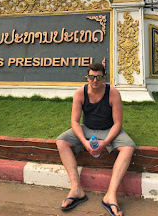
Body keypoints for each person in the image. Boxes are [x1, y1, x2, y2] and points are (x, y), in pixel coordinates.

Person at [56, 62, 136, 216]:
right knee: (61, 142)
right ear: (87, 77)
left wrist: (105, 142)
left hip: (109, 130)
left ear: (104, 77)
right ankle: (76, 188)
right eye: (92, 77)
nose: (95, 81)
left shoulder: (113, 93)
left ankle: (110, 195)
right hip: (87, 128)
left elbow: (118, 123)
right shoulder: (80, 93)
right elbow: (74, 122)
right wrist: (85, 142)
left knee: (128, 148)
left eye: (99, 77)